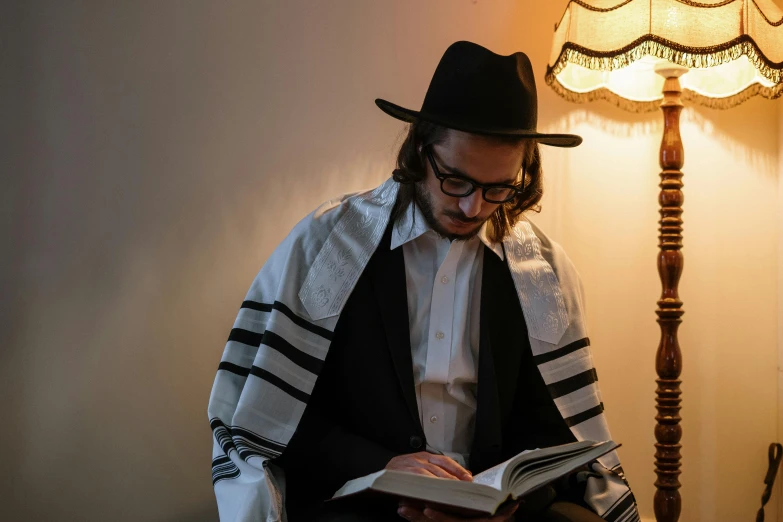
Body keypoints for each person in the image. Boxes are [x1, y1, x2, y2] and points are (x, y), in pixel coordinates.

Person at [207, 41, 640, 522]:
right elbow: (274, 417)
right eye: (455, 180)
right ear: (419, 149)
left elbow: (554, 430)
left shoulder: (540, 274)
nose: (473, 207)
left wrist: (510, 502)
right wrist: (385, 468)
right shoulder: (330, 247)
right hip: (365, 503)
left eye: (497, 188)